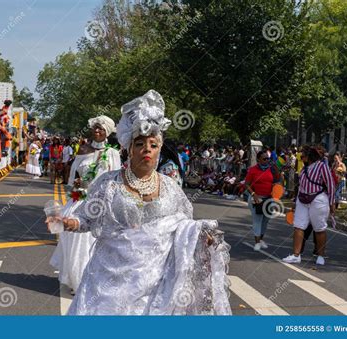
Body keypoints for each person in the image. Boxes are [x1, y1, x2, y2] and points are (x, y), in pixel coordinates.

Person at [49, 90, 231, 315]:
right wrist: (65, 222)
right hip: (108, 282)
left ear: (159, 151)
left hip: (156, 285)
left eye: (153, 145)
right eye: (140, 144)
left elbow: (185, 227)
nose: (147, 149)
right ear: (128, 149)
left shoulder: (171, 189)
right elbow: (86, 219)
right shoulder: (108, 183)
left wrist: (203, 237)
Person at [50, 115, 121, 295]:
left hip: (102, 203)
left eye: (101, 128)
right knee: (77, 242)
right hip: (81, 201)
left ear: (107, 132)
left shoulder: (112, 153)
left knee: (99, 243)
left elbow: (116, 179)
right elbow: (73, 175)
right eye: (95, 127)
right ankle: (79, 280)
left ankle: (96, 279)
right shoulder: (83, 149)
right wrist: (76, 185)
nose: (97, 131)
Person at [283, 146, 335, 266]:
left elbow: (330, 184)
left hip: (318, 199)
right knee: (298, 226)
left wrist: (332, 203)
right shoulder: (304, 169)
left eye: (303, 156)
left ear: (310, 156)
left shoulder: (322, 166)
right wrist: (296, 203)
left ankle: (321, 255)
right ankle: (296, 255)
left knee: (319, 228)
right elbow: (301, 186)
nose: (301, 158)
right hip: (303, 199)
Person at [245, 151, 280, 251]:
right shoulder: (253, 170)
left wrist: (277, 171)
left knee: (265, 221)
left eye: (268, 158)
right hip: (256, 198)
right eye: (264, 159)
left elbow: (277, 180)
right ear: (258, 160)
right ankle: (256, 242)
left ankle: (260, 240)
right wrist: (253, 194)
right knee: (258, 220)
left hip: (269, 198)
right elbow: (247, 184)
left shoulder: (271, 169)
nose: (267, 160)